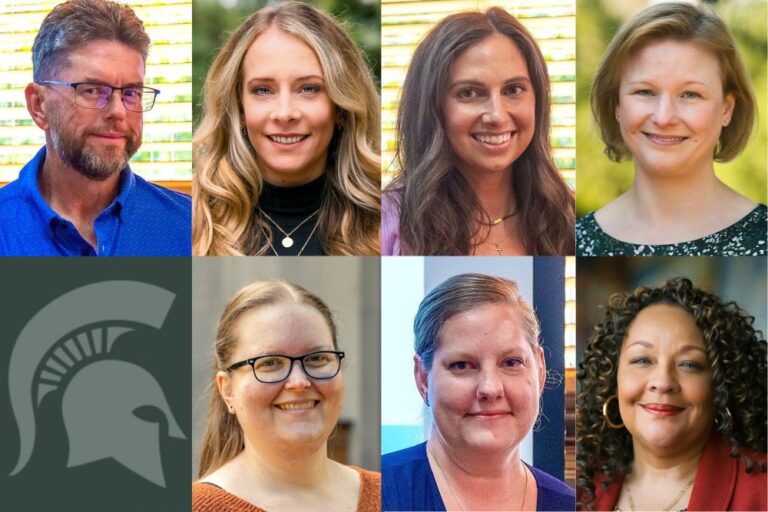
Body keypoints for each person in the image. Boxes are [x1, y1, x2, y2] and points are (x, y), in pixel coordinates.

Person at [0, 0, 191, 256]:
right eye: (92, 90)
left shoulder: (187, 224)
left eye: (131, 93)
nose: (118, 112)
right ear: (39, 105)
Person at [576, 2, 766, 256]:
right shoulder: (576, 239)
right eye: (645, 91)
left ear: (726, 109)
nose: (664, 117)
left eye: (690, 94)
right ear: (616, 105)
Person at [381, 8, 574, 256]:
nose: (497, 115)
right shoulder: (388, 220)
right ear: (431, 106)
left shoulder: (564, 214)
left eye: (514, 90)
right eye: (469, 93)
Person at [193, 2, 380, 256]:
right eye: (263, 90)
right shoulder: (192, 217)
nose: (285, 113)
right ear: (239, 107)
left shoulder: (388, 218)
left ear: (341, 107)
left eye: (309, 88)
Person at [382, 273, 575, 511]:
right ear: (423, 378)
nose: (490, 389)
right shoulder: (375, 493)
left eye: (511, 362)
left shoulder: (569, 504)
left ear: (541, 370)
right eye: (462, 365)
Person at [576, 277, 767, 511]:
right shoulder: (577, 491)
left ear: (720, 386)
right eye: (642, 360)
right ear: (611, 381)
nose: (663, 382)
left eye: (689, 364)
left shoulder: (761, 490)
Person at [193, 280, 380, 512]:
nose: (299, 382)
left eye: (316, 358)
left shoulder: (390, 494)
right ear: (227, 390)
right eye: (270, 363)